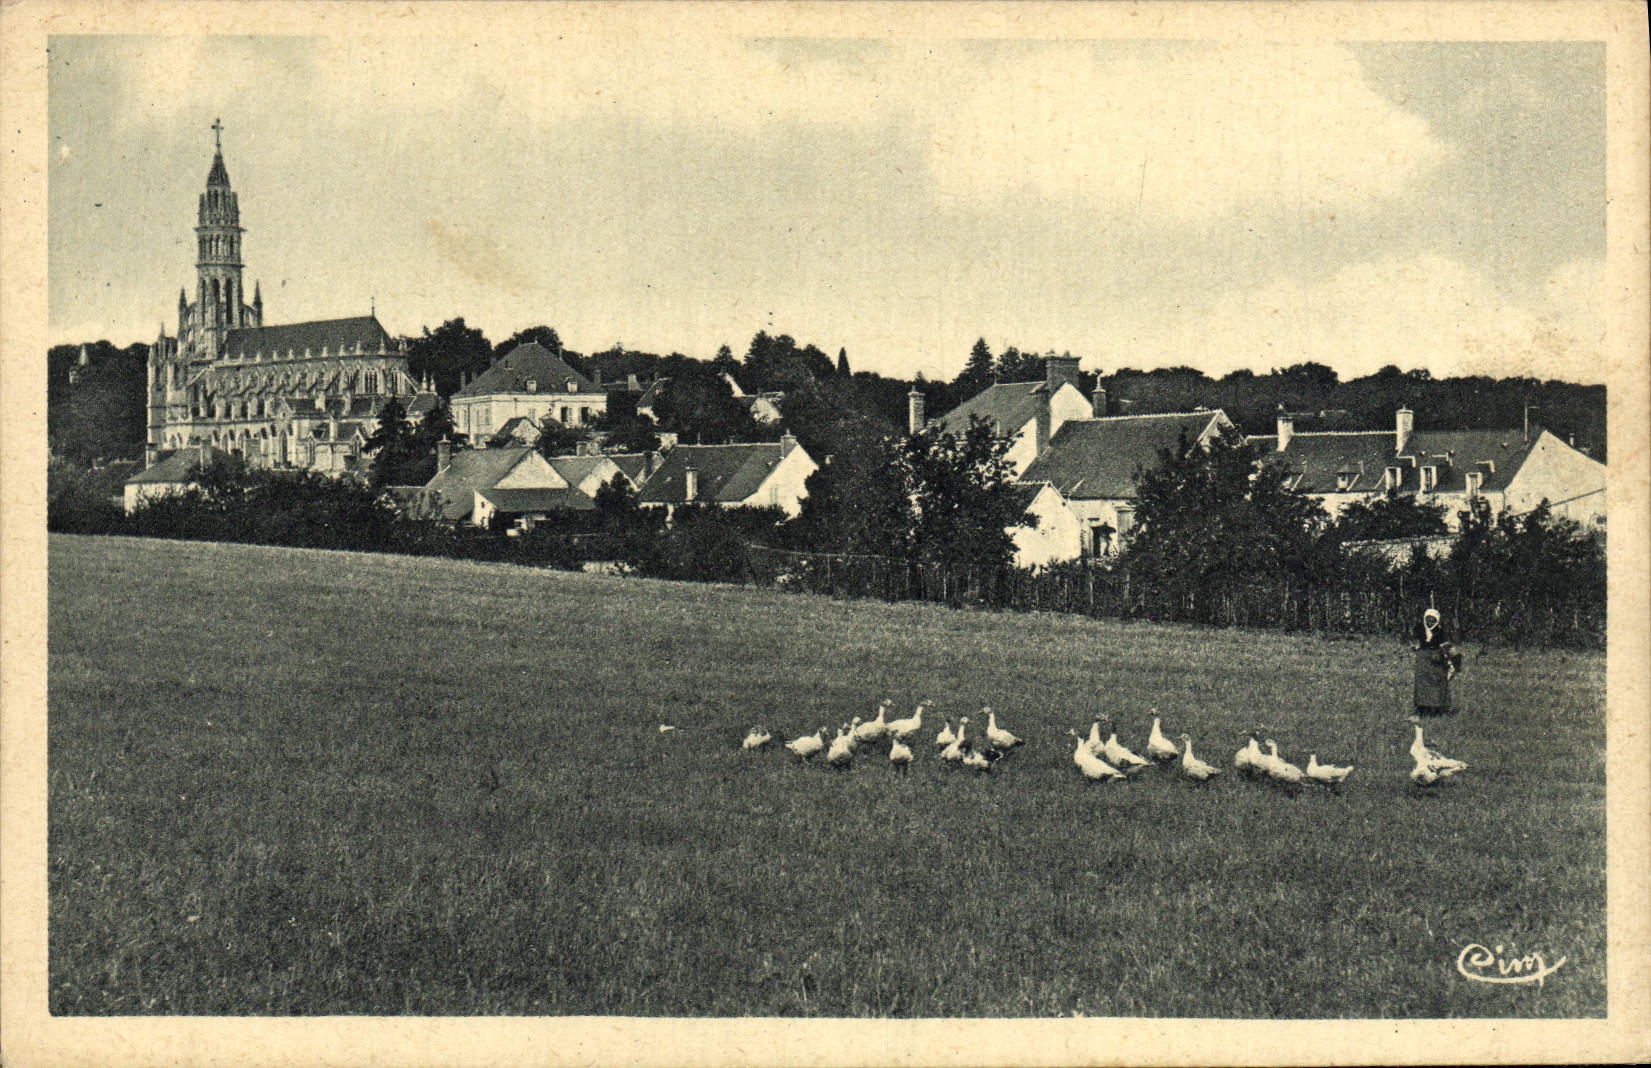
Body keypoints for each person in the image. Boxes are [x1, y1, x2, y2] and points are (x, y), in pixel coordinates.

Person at [1412, 607, 1462, 717]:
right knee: (1422, 685)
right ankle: (1422, 709)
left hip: (1436, 662)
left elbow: (1448, 648)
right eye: (1428, 619)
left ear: (1437, 621)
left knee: (1437, 684)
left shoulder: (1440, 632)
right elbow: (1416, 644)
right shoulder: (1419, 630)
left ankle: (1437, 709)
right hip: (1423, 662)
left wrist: (1455, 660)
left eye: (1433, 620)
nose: (1430, 622)